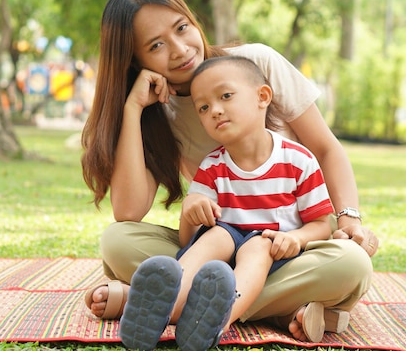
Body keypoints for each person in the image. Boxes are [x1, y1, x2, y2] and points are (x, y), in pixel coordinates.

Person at [81, 0, 378, 342]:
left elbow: (326, 148)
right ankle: (279, 311)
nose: (179, 49)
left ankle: (163, 304)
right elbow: (128, 212)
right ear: (135, 60)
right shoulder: (157, 110)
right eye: (156, 45)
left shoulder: (255, 64)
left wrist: (349, 218)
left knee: (351, 265)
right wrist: (133, 108)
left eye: (181, 28)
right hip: (217, 247)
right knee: (118, 241)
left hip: (290, 246)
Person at [118, 55, 336, 351]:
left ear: (262, 97)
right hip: (219, 258)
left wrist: (295, 238)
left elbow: (323, 223)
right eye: (204, 108)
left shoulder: (298, 161)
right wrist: (190, 214)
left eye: (226, 96)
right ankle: (163, 309)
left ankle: (216, 320)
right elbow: (188, 240)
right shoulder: (212, 167)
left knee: (259, 246)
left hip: (273, 251)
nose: (215, 111)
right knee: (216, 235)